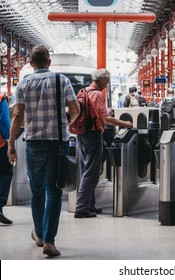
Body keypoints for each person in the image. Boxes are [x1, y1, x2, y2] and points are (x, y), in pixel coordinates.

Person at [7, 45, 80, 257]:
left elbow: (17, 116)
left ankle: (38, 234)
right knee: (53, 192)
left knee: (36, 191)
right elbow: (75, 110)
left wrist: (11, 144)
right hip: (57, 145)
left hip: (32, 144)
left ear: (31, 64)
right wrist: (64, 124)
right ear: (49, 62)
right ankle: (49, 241)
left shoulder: (23, 83)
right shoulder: (61, 80)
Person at [75, 68, 132, 219]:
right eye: (106, 81)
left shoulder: (83, 91)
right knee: (91, 173)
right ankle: (81, 208)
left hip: (81, 135)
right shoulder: (97, 95)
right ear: (101, 80)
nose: (106, 84)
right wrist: (124, 123)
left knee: (85, 170)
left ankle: (89, 204)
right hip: (93, 135)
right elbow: (105, 119)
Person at [0, 93, 12, 225]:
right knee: (5, 172)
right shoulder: (1, 98)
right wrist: (8, 138)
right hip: (0, 144)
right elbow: (3, 121)